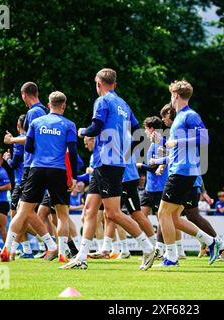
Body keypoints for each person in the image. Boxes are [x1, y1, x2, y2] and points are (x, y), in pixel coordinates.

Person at [63, 68, 155, 271]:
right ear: (114, 83)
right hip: (103, 163)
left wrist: (82, 132)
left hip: (108, 163)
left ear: (98, 84)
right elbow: (138, 131)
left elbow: (95, 128)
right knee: (89, 210)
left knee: (113, 214)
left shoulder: (102, 101)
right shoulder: (123, 104)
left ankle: (148, 248)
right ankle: (82, 257)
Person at [0, 91, 77, 263]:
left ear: (49, 105)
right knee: (62, 215)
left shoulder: (35, 122)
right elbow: (72, 152)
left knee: (22, 212)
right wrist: (73, 177)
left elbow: (28, 148)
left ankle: (6, 248)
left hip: (36, 169)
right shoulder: (69, 125)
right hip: (57, 170)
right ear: (64, 105)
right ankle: (63, 255)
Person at [155, 79, 221, 268]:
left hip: (182, 172)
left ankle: (171, 258)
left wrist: (178, 142)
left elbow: (205, 138)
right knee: (174, 217)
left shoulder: (189, 115)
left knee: (162, 213)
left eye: (171, 95)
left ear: (175, 95)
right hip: (181, 170)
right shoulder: (179, 117)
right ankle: (212, 242)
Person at [3, 82, 49, 260]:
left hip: (31, 167)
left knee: (20, 210)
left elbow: (32, 139)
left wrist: (12, 140)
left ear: (24, 95)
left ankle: (13, 249)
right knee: (24, 210)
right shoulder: (41, 110)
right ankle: (17, 249)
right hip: (35, 166)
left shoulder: (34, 112)